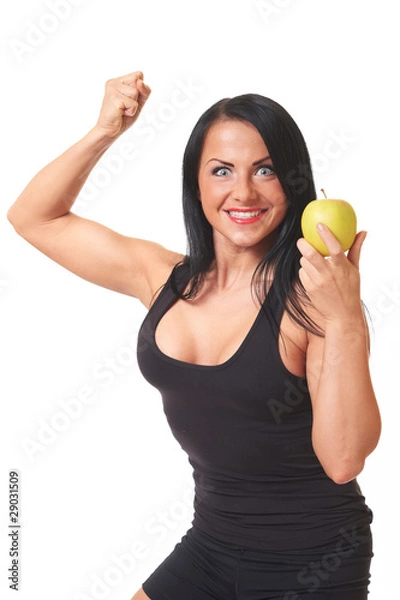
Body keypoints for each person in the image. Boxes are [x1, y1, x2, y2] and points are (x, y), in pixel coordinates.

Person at [7, 71, 381, 600]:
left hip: (312, 560)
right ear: (196, 184)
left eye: (266, 170)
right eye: (222, 170)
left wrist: (346, 320)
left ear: (293, 182)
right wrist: (104, 132)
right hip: (210, 545)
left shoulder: (313, 304)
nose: (243, 192)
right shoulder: (164, 278)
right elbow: (34, 219)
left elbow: (344, 459)